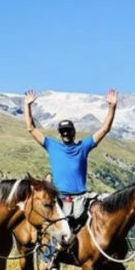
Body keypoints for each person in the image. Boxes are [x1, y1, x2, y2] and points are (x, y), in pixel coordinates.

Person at [24, 89, 117, 253]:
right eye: (63, 131)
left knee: (109, 212)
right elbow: (31, 128)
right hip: (60, 197)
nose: (66, 134)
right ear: (60, 134)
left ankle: (108, 254)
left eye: (68, 131)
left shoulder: (83, 146)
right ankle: (49, 258)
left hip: (82, 196)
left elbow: (104, 129)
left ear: (74, 132)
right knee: (55, 226)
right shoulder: (52, 146)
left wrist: (112, 107)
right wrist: (27, 106)